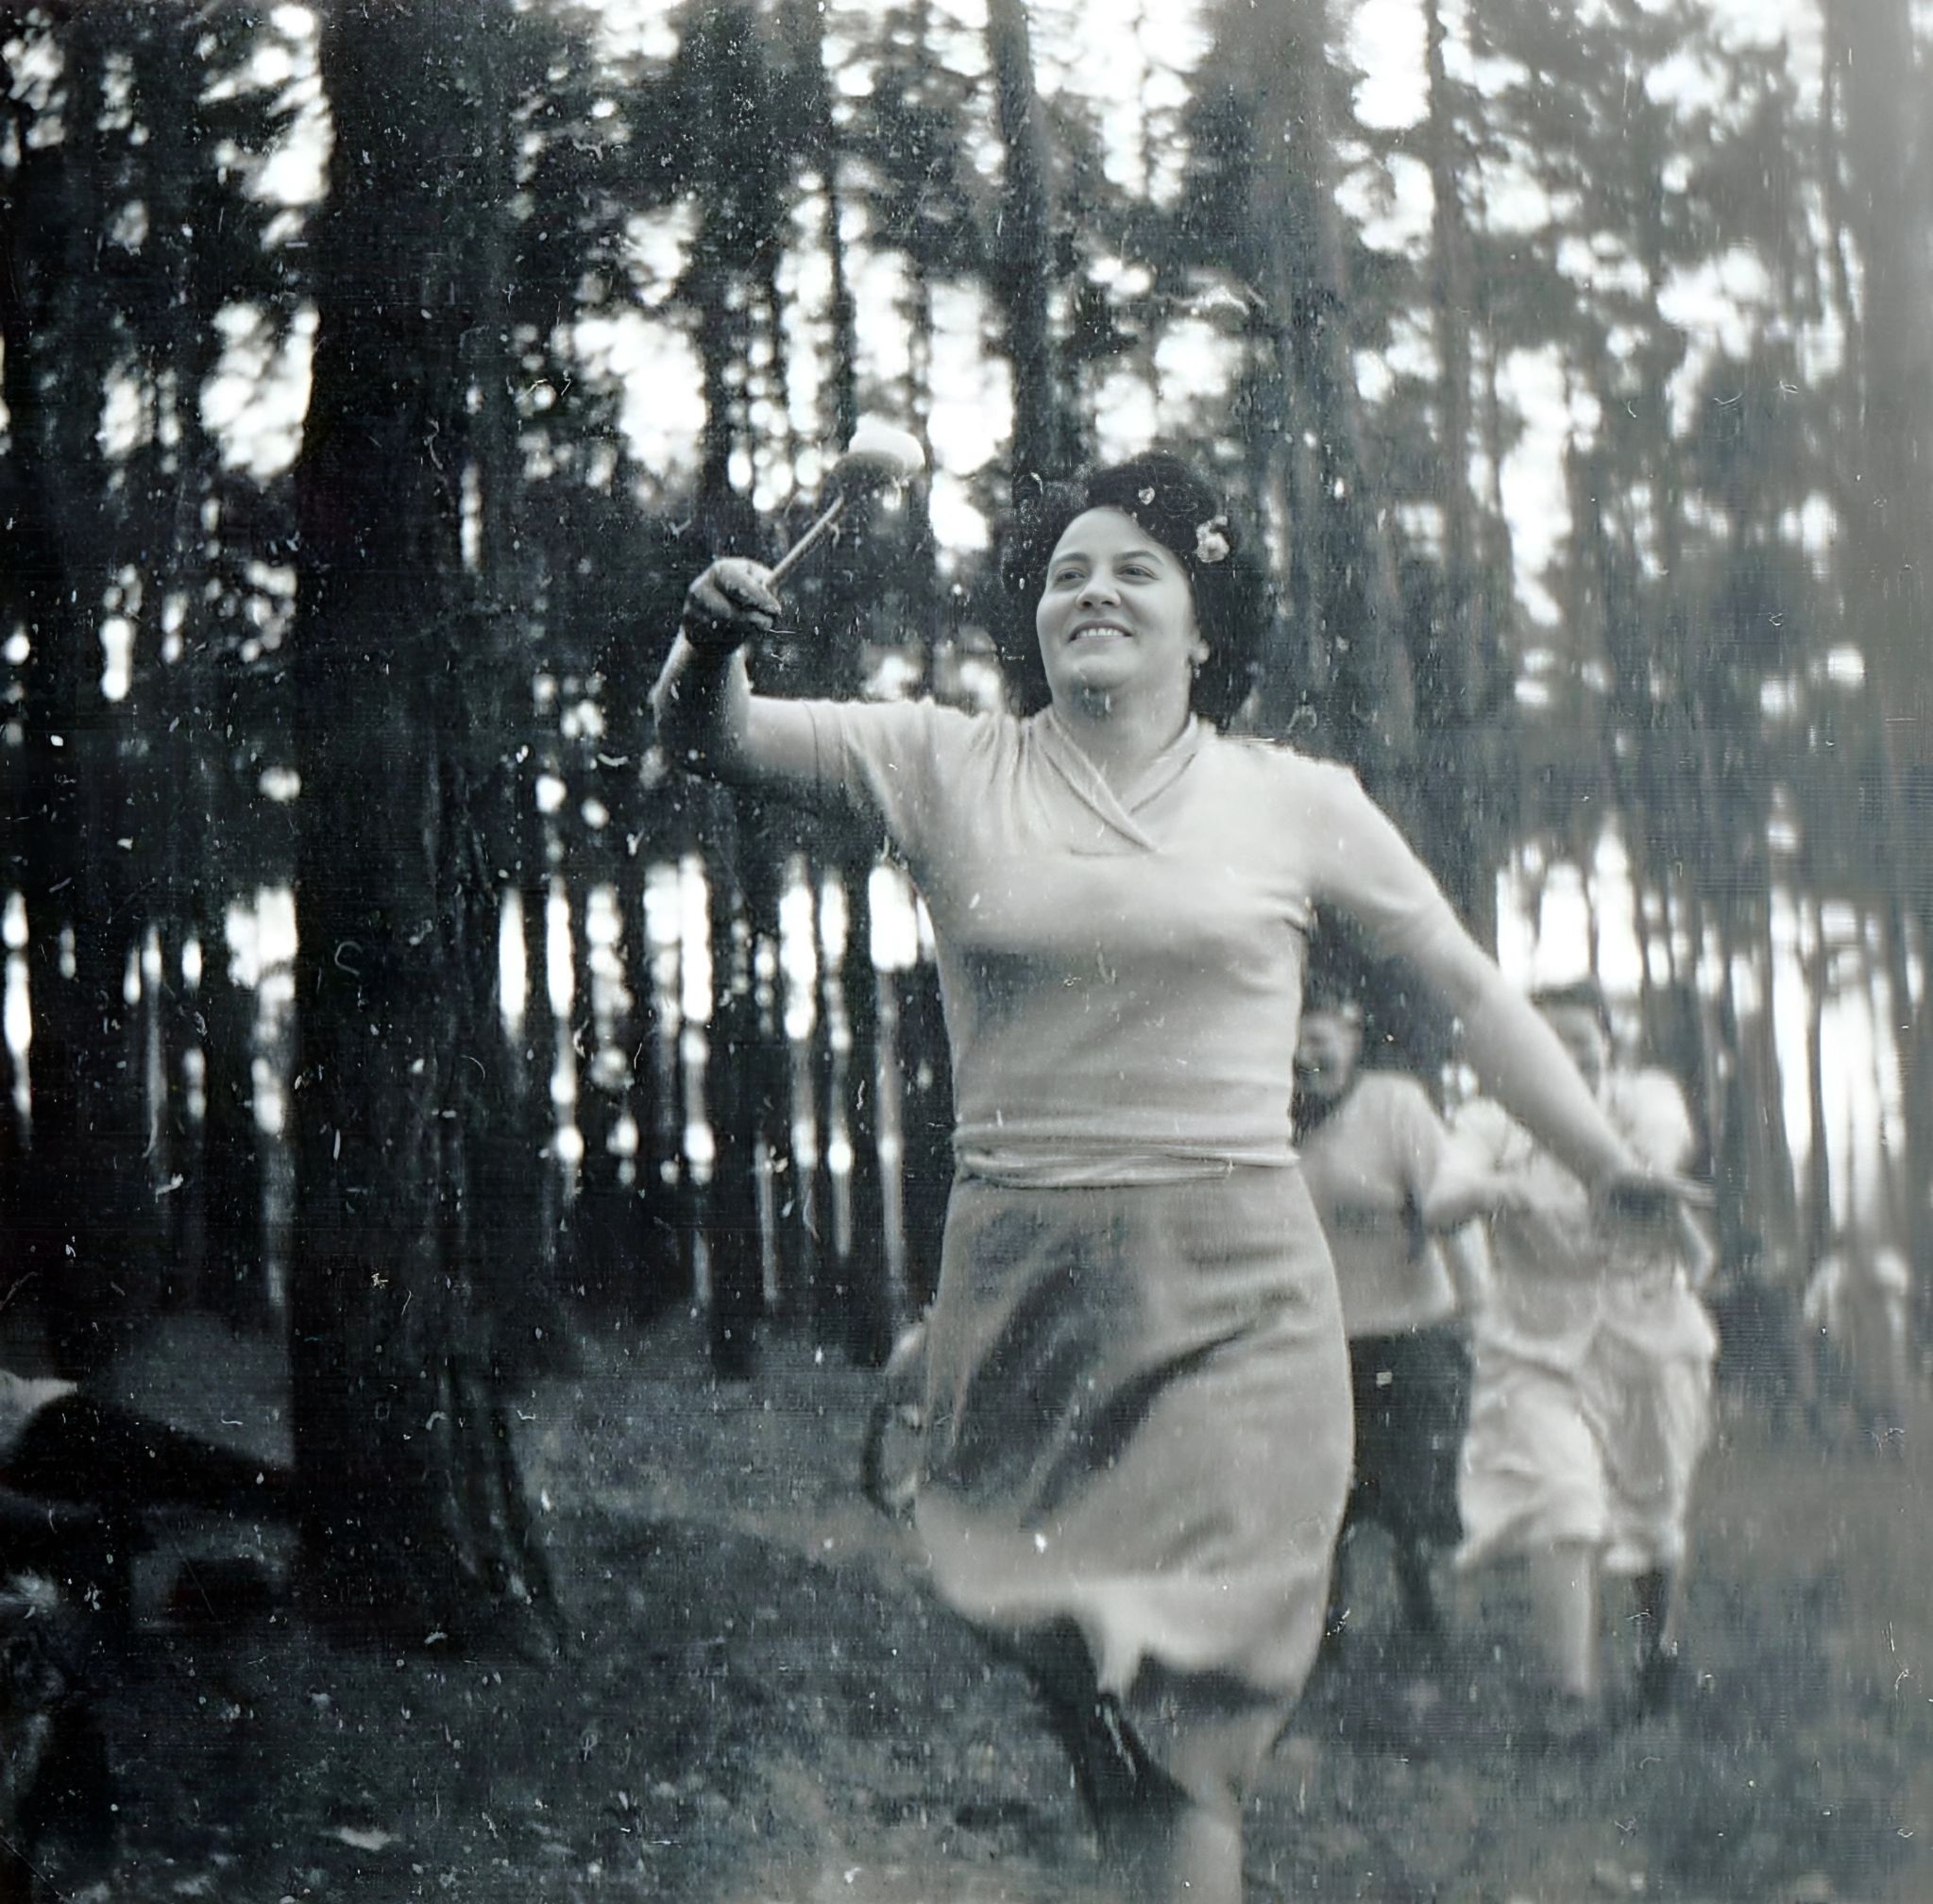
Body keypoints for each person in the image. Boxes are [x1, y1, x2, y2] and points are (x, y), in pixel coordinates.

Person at [652, 450, 1697, 1902]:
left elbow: (1462, 985)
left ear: (1204, 629)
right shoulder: (947, 765)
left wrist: (1601, 1163)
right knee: (1096, 1700)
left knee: (1192, 1727)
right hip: (1026, 1300)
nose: (1091, 589)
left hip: (1239, 1301)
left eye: (1135, 570)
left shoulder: (1293, 803)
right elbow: (721, 740)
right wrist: (705, 641)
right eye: (1064, 571)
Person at [1433, 980, 1718, 1729]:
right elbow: (1442, 1197)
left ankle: (1657, 1652)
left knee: (1653, 1513)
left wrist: (1635, 1166)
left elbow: (1663, 1141)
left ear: (1607, 1050)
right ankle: (1571, 1701)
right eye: (1546, 1047)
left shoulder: (1639, 1100)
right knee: (1562, 1500)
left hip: (1646, 1338)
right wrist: (1494, 1190)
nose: (1566, 1062)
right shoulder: (1491, 1119)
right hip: (1533, 1343)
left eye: (1582, 1048)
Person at [1292, 974, 1485, 1663]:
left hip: (1411, 1334)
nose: (1304, 1056)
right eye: (1291, 1038)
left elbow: (1453, 1205)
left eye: (1318, 1037)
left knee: (1416, 1502)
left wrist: (1479, 1310)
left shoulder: (1395, 1106)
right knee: (1322, 1500)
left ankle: (1428, 1642)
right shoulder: (1268, 1120)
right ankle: (1325, 1647)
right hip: (1318, 1341)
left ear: (1351, 1038)